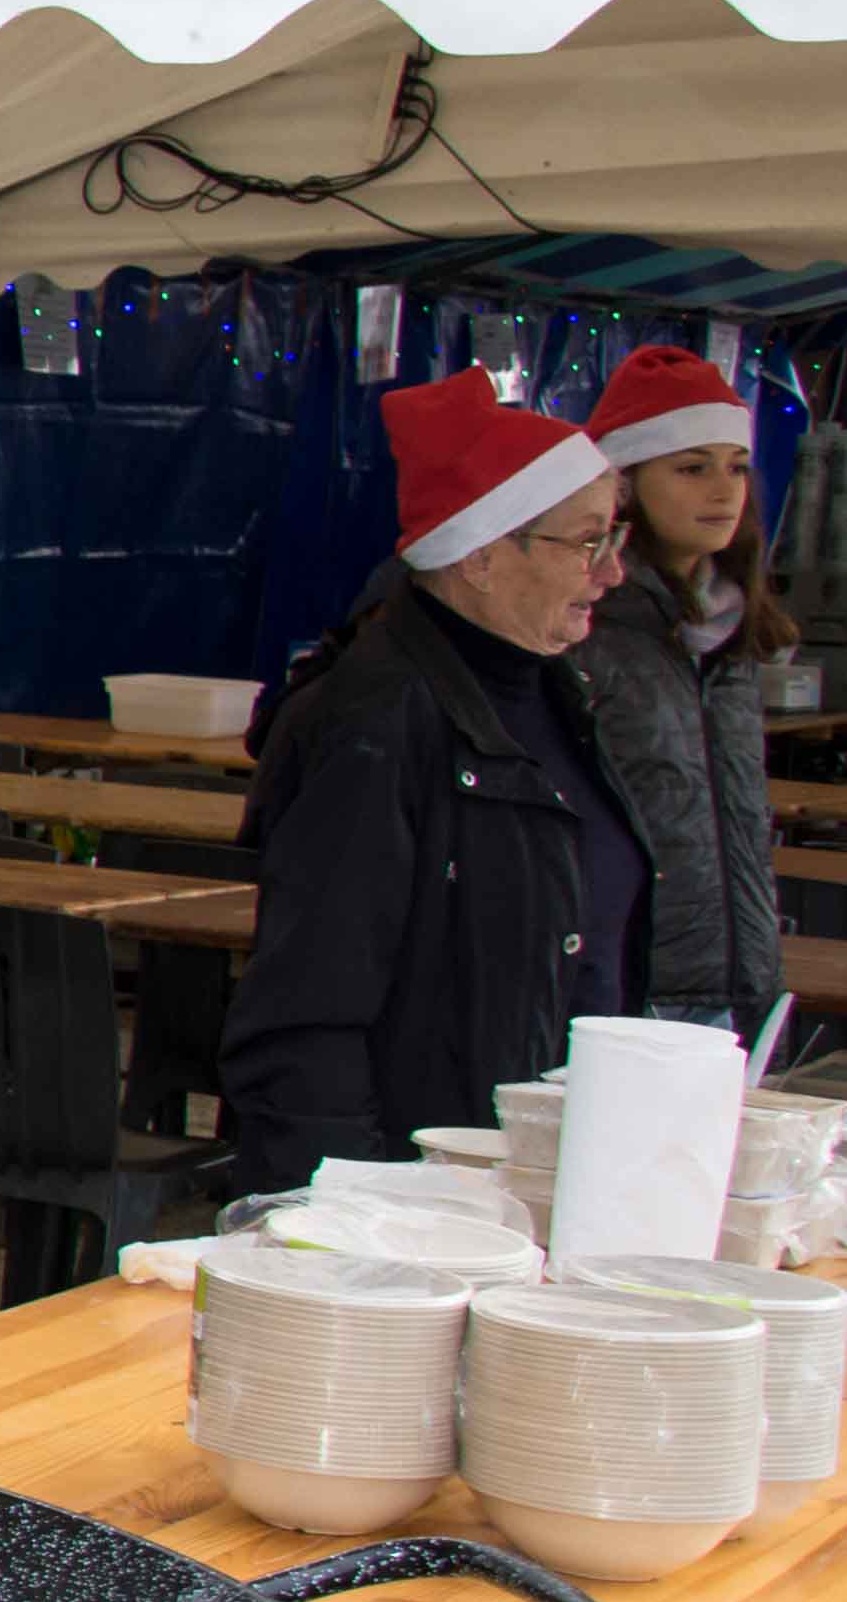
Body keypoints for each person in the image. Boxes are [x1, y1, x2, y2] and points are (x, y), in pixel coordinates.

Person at [226, 378, 647, 1190]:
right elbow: (310, 1004)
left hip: (539, 1169)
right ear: (483, 556)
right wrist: (344, 1210)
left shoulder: (557, 694)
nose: (612, 573)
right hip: (424, 1185)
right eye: (587, 541)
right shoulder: (375, 718)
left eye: (613, 537)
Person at [570, 345, 795, 1042]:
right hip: (625, 990)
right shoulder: (585, 624)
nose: (722, 490)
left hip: (739, 982)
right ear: (626, 483)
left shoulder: (730, 629)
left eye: (734, 467)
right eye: (691, 467)